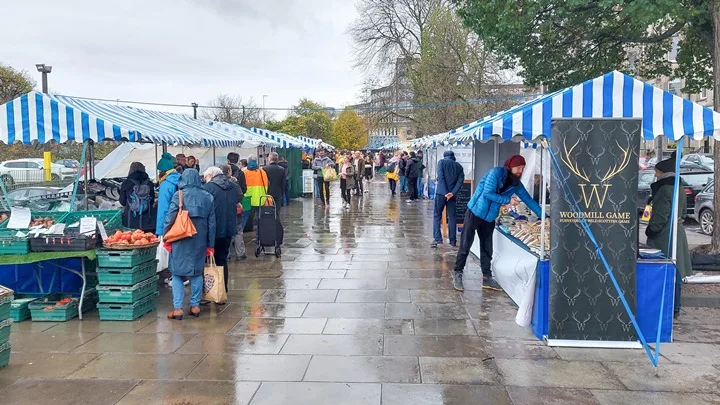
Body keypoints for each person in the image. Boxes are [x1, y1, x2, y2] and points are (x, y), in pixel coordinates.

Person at [453, 155, 542, 292]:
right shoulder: (496, 173)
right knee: (466, 244)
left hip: (489, 218)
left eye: (523, 168)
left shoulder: (516, 184)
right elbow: (488, 193)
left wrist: (544, 216)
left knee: (487, 248)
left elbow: (529, 200)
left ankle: (487, 278)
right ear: (510, 166)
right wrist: (508, 200)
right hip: (475, 212)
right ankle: (458, 273)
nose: (521, 171)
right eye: (518, 168)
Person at [164, 169, 216, 320]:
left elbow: (170, 217)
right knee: (196, 272)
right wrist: (210, 244)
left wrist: (166, 236)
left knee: (177, 273)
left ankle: (178, 308)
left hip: (180, 238)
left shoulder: (178, 195)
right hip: (199, 239)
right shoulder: (208, 197)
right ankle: (195, 306)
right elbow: (212, 224)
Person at [646, 157, 692, 318]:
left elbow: (660, 215)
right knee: (677, 272)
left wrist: (651, 230)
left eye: (657, 171)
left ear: (663, 172)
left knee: (664, 269)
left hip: (665, 235)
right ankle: (676, 307)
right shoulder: (679, 187)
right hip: (678, 233)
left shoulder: (664, 189)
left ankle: (668, 307)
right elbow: (684, 213)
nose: (655, 175)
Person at [203, 166, 239, 298]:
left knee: (209, 260)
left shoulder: (209, 188)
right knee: (223, 259)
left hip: (213, 229)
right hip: (229, 228)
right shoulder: (234, 186)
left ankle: (212, 291)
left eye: (206, 177)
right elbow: (238, 198)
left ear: (211, 175)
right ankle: (223, 290)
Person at [432, 151, 465, 249]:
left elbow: (441, 178)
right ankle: (453, 240)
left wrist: (445, 192)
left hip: (441, 193)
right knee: (452, 217)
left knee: (437, 215)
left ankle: (438, 238)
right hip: (452, 195)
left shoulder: (441, 162)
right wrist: (452, 193)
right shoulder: (459, 166)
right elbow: (460, 181)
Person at [119, 162, 155, 232]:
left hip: (131, 220)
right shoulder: (149, 183)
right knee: (148, 240)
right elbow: (152, 200)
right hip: (148, 220)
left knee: (133, 240)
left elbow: (122, 202)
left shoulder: (126, 183)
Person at [244, 154, 269, 226]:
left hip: (248, 198)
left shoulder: (244, 172)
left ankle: (245, 231)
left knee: (246, 217)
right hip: (260, 197)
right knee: (260, 217)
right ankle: (260, 232)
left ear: (248, 162)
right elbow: (267, 184)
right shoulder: (262, 172)